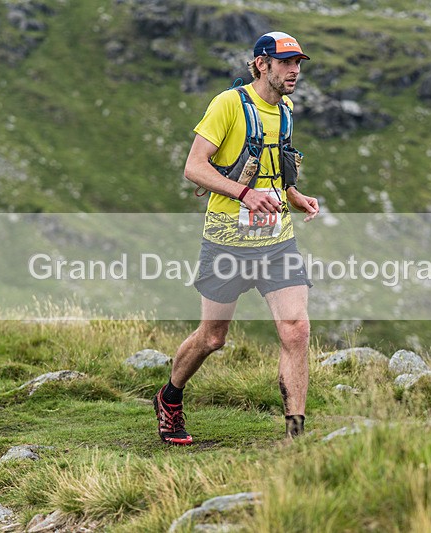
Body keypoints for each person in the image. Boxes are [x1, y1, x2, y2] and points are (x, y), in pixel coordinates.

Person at [153, 31, 320, 445]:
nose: (294, 71)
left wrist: (294, 195)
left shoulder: (287, 109)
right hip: (226, 241)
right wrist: (245, 193)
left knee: (296, 330)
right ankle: (170, 396)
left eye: (298, 63)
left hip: (277, 240)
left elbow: (275, 164)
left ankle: (295, 434)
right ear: (262, 64)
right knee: (213, 337)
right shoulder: (228, 105)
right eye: (286, 63)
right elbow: (194, 167)